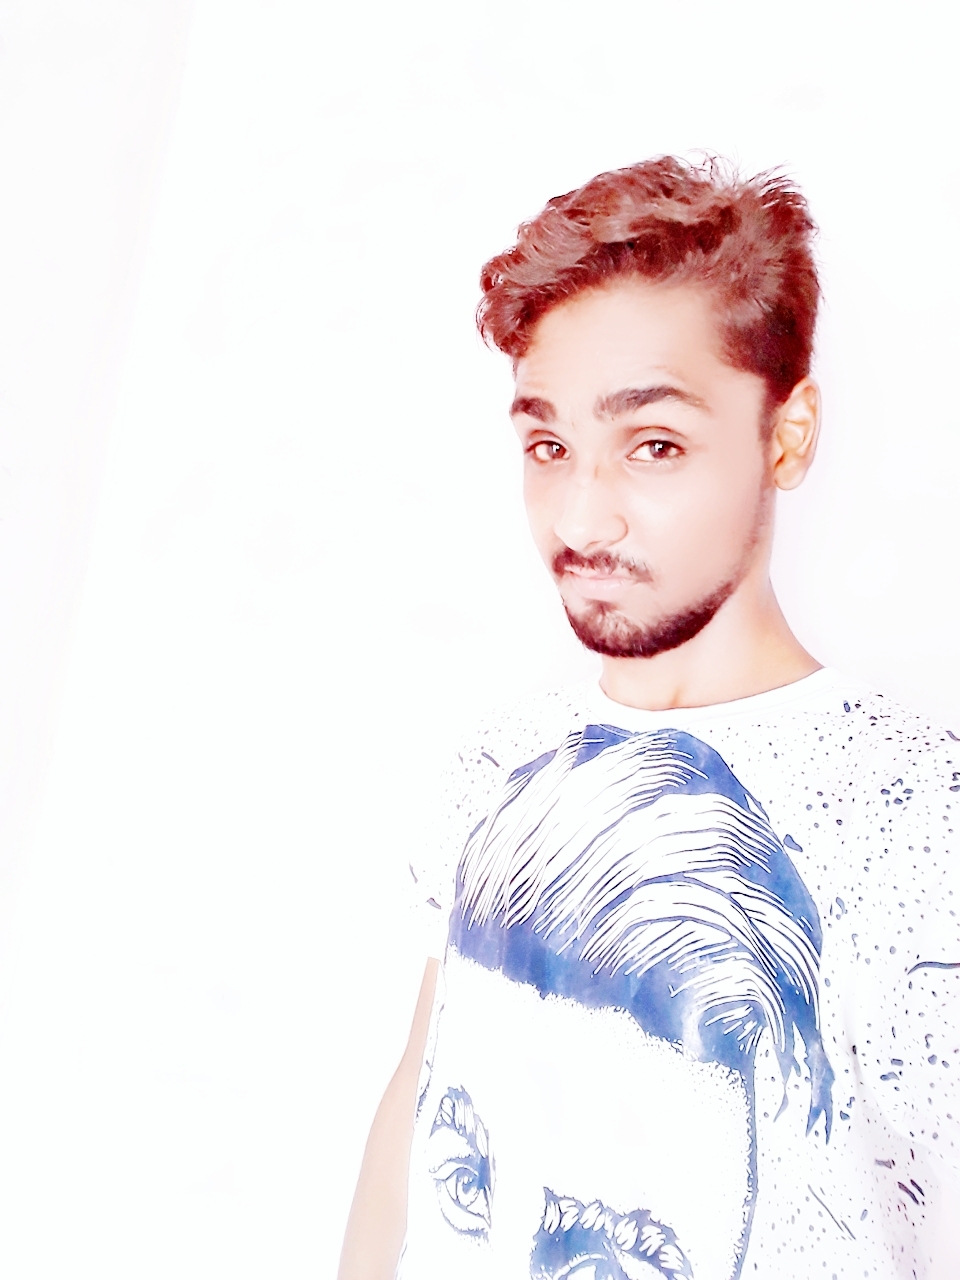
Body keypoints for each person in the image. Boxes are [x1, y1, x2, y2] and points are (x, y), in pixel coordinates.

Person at [337, 156, 960, 1279]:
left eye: (654, 445)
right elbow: (417, 1109)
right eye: (549, 446)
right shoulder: (497, 765)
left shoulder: (924, 810)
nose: (583, 518)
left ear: (787, 434)